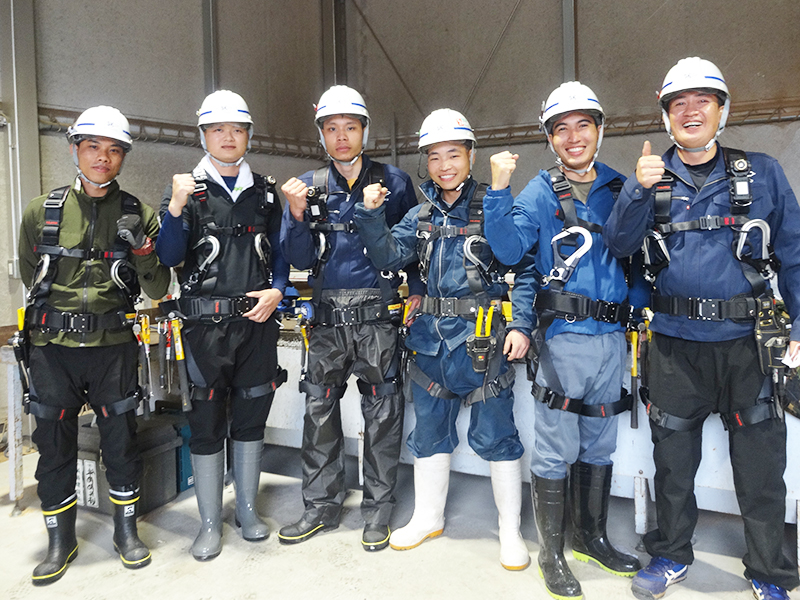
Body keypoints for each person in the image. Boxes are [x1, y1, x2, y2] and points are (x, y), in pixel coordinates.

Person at [604, 57, 800, 600]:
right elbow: (619, 245)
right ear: (666, 115)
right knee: (672, 463)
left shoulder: (762, 173)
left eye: (703, 101)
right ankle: (670, 554)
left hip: (747, 346)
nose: (690, 111)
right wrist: (637, 190)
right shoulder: (649, 179)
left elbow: (794, 253)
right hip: (673, 346)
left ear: (721, 110)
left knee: (761, 467)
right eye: (678, 103)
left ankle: (769, 571)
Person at [484, 82, 643, 599]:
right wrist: (498, 190)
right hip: (563, 340)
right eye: (561, 129)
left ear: (599, 130)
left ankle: (591, 538)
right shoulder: (539, 192)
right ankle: (551, 553)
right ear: (550, 138)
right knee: (555, 446)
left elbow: (639, 258)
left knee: (600, 440)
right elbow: (511, 254)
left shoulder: (621, 188)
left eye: (583, 125)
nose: (573, 137)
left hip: (612, 339)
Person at [353, 108, 530, 571]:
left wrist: (522, 325)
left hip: (482, 341)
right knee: (430, 430)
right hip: (431, 344)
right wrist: (370, 215)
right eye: (434, 156)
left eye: (453, 154)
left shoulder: (494, 204)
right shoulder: (420, 215)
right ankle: (428, 517)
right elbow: (388, 256)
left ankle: (509, 530)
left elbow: (518, 260)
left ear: (471, 155)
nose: (444, 165)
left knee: (497, 434)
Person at [19, 106, 170, 584]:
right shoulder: (41, 211)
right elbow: (30, 274)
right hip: (52, 348)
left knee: (120, 441)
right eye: (93, 147)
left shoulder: (140, 214)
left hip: (112, 346)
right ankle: (60, 540)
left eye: (114, 150)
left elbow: (159, 286)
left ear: (123, 157)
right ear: (75, 149)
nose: (103, 158)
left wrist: (142, 248)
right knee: (53, 446)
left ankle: (126, 532)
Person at [278, 85, 422, 552]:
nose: (342, 137)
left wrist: (418, 290)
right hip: (326, 319)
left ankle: (378, 508)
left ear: (365, 131)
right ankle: (321, 505)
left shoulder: (394, 182)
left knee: (382, 413)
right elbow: (299, 258)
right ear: (321, 134)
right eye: (332, 128)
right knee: (318, 410)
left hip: (377, 317)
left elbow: (413, 243)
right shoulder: (307, 185)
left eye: (351, 127)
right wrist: (296, 214)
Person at [156, 90, 289, 561]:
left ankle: (247, 511)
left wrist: (278, 290)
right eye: (217, 129)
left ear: (248, 135)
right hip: (203, 330)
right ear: (204, 136)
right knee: (207, 420)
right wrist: (174, 209)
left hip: (257, 323)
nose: (228, 137)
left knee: (252, 414)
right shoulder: (186, 192)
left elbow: (281, 253)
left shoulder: (266, 193)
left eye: (237, 129)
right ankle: (210, 522)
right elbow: (169, 256)